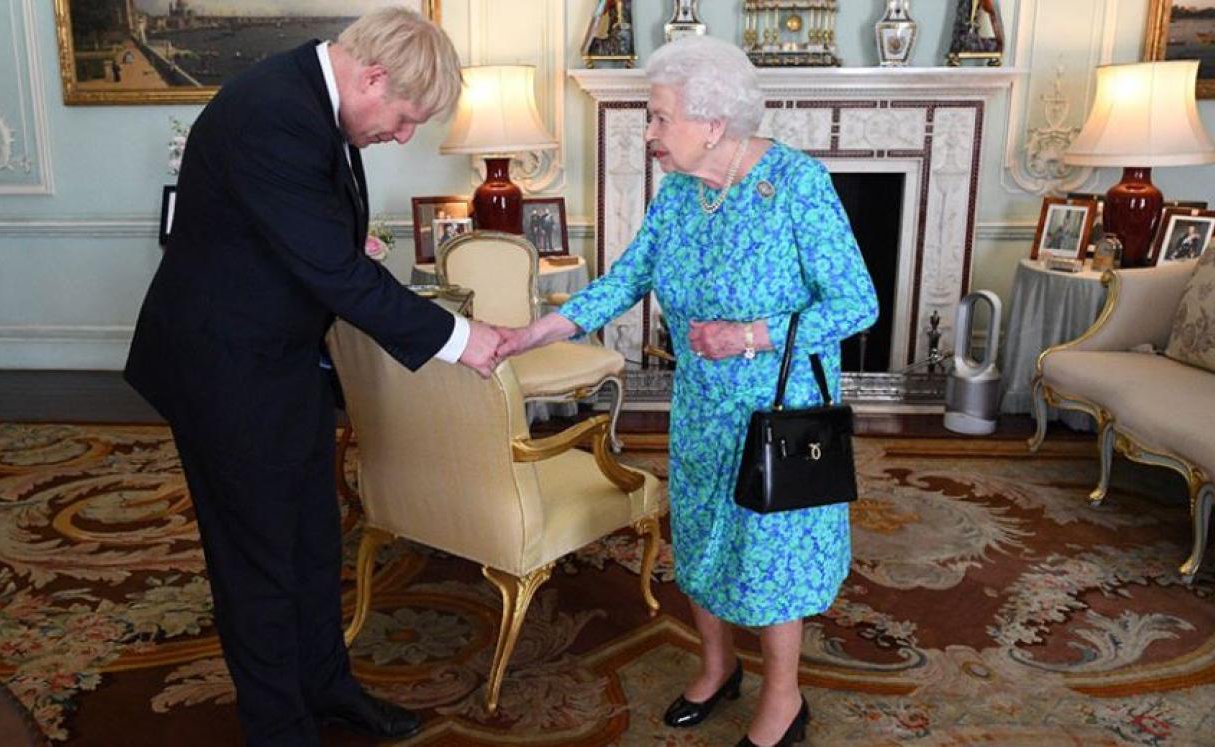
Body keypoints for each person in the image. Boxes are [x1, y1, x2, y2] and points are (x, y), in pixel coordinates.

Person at [124, 9, 507, 746]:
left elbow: (309, 235)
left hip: (282, 356)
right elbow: (334, 272)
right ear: (371, 77)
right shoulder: (272, 113)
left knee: (311, 539)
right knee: (258, 561)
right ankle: (279, 727)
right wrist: (462, 338)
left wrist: (336, 234)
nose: (401, 136)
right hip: (222, 368)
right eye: (403, 118)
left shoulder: (312, 95)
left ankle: (327, 688)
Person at [497, 35, 878, 747]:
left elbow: (857, 303)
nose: (649, 133)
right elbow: (625, 278)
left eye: (659, 117)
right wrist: (532, 331)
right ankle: (716, 665)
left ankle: (784, 697)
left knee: (769, 556)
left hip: (778, 410)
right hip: (702, 406)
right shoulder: (680, 191)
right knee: (701, 537)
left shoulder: (796, 184)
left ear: (713, 122)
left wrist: (749, 335)